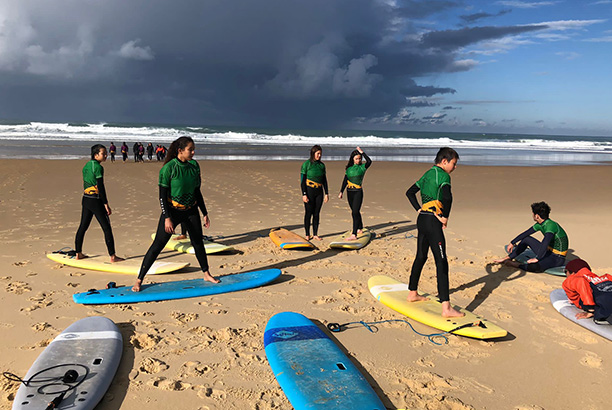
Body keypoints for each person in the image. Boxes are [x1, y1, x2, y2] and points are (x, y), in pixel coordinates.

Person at [132, 136, 218, 292]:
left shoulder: (194, 166)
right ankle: (139, 279)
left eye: (194, 149)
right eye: (190, 149)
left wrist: (204, 212)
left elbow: (197, 192)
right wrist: (167, 218)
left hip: (191, 210)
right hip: (172, 211)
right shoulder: (168, 169)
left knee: (198, 243)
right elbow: (162, 196)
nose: (193, 152)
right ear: (180, 151)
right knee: (157, 246)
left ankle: (206, 273)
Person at [405, 147, 463, 318]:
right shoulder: (443, 175)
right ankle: (446, 308)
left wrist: (419, 209)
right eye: (454, 163)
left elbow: (409, 193)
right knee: (442, 262)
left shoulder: (427, 173)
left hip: (422, 219)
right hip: (432, 221)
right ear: (444, 161)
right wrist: (444, 217)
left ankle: (412, 293)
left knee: (421, 257)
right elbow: (447, 197)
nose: (455, 167)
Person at [74, 144, 124, 263]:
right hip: (96, 200)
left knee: (83, 227)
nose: (106, 155)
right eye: (103, 153)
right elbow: (100, 186)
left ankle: (78, 253)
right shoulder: (98, 167)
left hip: (86, 199)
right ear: (96, 155)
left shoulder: (86, 166)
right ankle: (113, 256)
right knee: (106, 228)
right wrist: (105, 203)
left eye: (106, 153)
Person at [494, 201, 568, 272]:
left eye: (533, 213)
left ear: (537, 216)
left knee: (534, 267)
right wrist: (512, 242)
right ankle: (508, 258)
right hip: (548, 252)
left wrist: (537, 258)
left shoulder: (551, 226)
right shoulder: (540, 224)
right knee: (526, 239)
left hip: (557, 258)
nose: (532, 215)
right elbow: (526, 234)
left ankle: (516, 265)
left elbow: (545, 242)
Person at [562, 258, 612, 325]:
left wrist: (590, 310)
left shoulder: (572, 279)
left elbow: (581, 283)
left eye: (565, 271)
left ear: (572, 273)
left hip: (605, 307)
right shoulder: (606, 277)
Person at [338, 147, 372, 240]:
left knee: (354, 212)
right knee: (355, 211)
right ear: (352, 159)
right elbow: (345, 180)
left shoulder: (362, 167)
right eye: (356, 158)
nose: (358, 160)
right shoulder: (348, 168)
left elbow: (369, 161)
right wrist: (341, 191)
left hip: (358, 192)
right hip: (349, 192)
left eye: (359, 158)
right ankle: (360, 227)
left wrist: (362, 153)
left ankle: (354, 234)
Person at [300, 145, 329, 240]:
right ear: (313, 153)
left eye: (320, 154)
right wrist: (304, 194)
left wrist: (326, 193)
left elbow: (324, 180)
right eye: (318, 154)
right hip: (309, 190)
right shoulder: (307, 164)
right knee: (308, 213)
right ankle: (307, 234)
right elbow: (302, 181)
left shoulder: (322, 165)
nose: (319, 156)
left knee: (317, 213)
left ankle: (315, 234)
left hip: (319, 191)